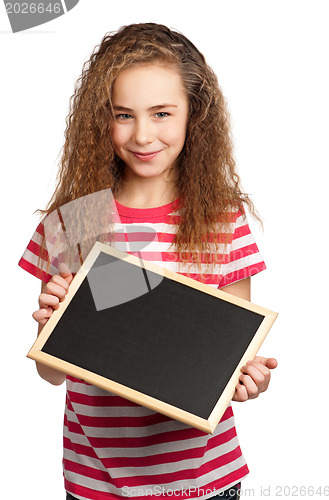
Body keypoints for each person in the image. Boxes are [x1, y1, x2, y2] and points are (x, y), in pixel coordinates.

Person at [19, 23, 277, 500]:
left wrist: (246, 379)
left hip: (204, 481)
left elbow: (231, 354)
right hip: (96, 479)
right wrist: (49, 329)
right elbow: (50, 372)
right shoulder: (76, 221)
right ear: (102, 119)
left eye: (162, 113)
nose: (143, 134)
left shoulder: (221, 221)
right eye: (123, 115)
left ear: (193, 115)